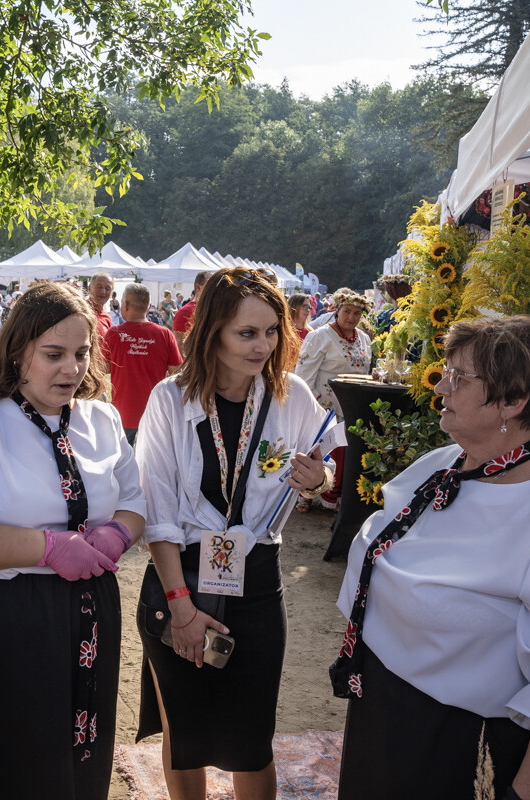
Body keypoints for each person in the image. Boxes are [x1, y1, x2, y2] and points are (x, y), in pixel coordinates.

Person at [333, 316, 530, 800]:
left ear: (513, 401)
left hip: (464, 748)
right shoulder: (443, 465)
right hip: (387, 717)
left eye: (458, 378)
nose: (441, 388)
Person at [0, 281, 146, 799]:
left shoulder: (101, 420)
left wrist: (117, 535)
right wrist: (49, 548)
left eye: (82, 354)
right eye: (54, 354)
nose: (72, 368)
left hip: (85, 616)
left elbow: (135, 501)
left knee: (70, 763)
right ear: (18, 352)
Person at [134, 267, 330, 800]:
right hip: (183, 577)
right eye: (247, 333)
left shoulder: (293, 397)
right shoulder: (170, 401)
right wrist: (180, 607)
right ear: (213, 331)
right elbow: (156, 513)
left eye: (272, 331)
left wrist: (319, 480)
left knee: (252, 738)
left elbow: (316, 465)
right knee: (185, 732)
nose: (263, 345)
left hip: (258, 579)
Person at [294, 288, 371, 508]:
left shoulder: (363, 339)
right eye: (347, 311)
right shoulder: (320, 336)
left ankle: (334, 495)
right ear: (337, 310)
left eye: (357, 313)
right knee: (318, 449)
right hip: (324, 405)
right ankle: (305, 496)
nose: (351, 317)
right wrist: (311, 404)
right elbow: (304, 374)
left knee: (343, 450)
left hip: (350, 406)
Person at [103, 283, 183, 444]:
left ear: (125, 305)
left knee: (123, 461)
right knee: (152, 463)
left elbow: (104, 368)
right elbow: (177, 372)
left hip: (123, 410)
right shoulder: (164, 334)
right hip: (156, 411)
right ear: (148, 307)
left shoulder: (114, 334)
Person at [171, 271, 211, 349]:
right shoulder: (185, 313)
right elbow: (179, 346)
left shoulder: (216, 309)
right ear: (198, 287)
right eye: (210, 285)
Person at [285, 293, 312, 370]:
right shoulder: (282, 330)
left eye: (309, 308)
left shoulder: (310, 333)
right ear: (294, 306)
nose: (307, 310)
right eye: (304, 306)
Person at [87, 272, 115, 337]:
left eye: (107, 288)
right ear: (89, 288)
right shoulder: (79, 312)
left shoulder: (107, 317)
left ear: (111, 293)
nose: (103, 292)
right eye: (99, 287)